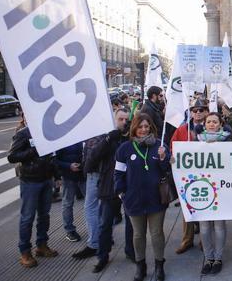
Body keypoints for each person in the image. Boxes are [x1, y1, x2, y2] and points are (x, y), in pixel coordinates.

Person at [115, 113, 171, 281]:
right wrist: (121, 193)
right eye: (140, 126)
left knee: (157, 233)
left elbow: (166, 170)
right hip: (133, 199)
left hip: (156, 198)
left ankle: (159, 265)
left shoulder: (160, 145)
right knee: (138, 235)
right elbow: (118, 173)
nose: (143, 129)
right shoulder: (124, 148)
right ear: (134, 128)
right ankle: (141, 265)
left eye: (146, 126)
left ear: (151, 128)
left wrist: (163, 157)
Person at [8, 116, 60, 268]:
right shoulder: (23, 133)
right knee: (27, 218)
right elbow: (12, 156)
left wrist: (56, 176)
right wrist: (33, 150)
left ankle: (41, 245)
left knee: (44, 216)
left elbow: (53, 156)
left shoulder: (48, 130)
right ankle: (25, 252)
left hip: (46, 179)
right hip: (30, 181)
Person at [87, 108, 133, 272]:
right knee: (105, 223)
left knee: (131, 223)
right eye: (120, 119)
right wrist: (107, 139)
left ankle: (131, 251)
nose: (123, 122)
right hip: (109, 186)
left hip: (128, 187)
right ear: (114, 120)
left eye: (126, 119)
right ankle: (103, 255)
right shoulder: (106, 137)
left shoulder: (130, 137)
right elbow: (92, 159)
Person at [171, 97, 208, 255]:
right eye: (195, 110)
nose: (198, 113)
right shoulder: (182, 130)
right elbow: (173, 146)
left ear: (206, 112)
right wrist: (172, 156)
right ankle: (187, 240)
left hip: (207, 174)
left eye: (201, 110)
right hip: (187, 176)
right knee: (188, 209)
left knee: (206, 207)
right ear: (191, 113)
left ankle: (204, 240)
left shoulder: (213, 128)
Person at [196, 112, 232, 275]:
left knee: (219, 226)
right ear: (204, 125)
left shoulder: (228, 140)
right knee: (204, 228)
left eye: (214, 122)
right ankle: (208, 258)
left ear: (220, 124)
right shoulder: (195, 141)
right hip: (203, 187)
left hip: (221, 188)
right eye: (208, 122)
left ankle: (218, 258)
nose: (211, 124)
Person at [71, 134, 106, 260]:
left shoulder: (97, 134)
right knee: (101, 208)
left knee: (91, 208)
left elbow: (93, 157)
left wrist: (84, 167)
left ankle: (94, 244)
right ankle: (103, 238)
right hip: (100, 173)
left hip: (95, 174)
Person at [56, 142, 86, 242]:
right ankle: (69, 230)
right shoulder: (61, 139)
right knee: (68, 203)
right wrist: (69, 166)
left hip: (83, 173)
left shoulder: (82, 135)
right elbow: (54, 160)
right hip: (68, 175)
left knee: (91, 202)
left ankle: (95, 227)